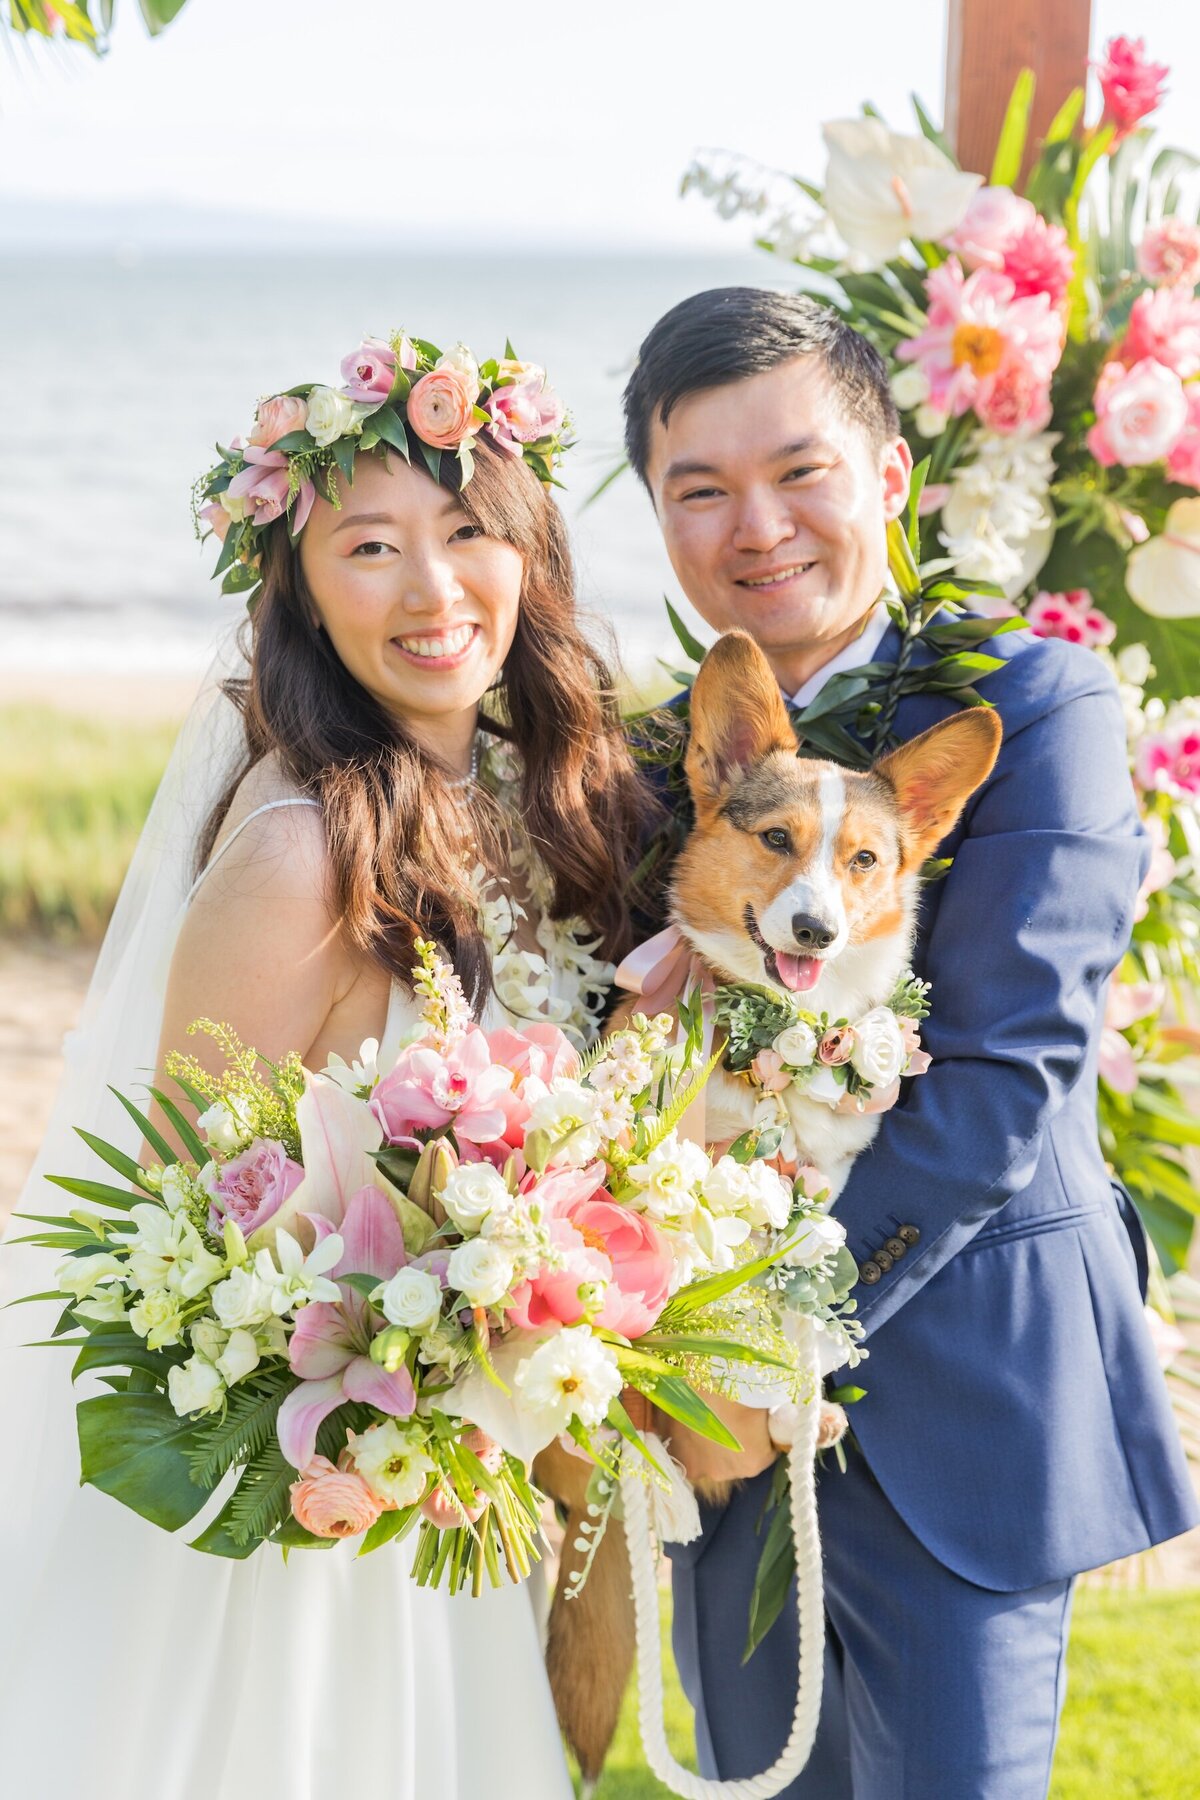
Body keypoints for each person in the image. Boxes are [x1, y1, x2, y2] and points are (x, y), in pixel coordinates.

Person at [0, 328, 651, 1800]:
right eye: (370, 547)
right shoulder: (302, 851)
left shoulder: (514, 809)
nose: (432, 590)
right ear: (297, 589)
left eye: (468, 531)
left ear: (527, 550)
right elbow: (168, 1227)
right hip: (305, 1519)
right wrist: (376, 1384)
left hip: (437, 1497)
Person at [621, 287, 1199, 1798]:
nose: (757, 526)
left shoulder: (1038, 701)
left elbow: (1006, 1080)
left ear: (889, 474)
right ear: (659, 518)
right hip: (719, 1443)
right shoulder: (654, 754)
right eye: (701, 490)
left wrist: (766, 1342)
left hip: (964, 1413)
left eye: (799, 469)